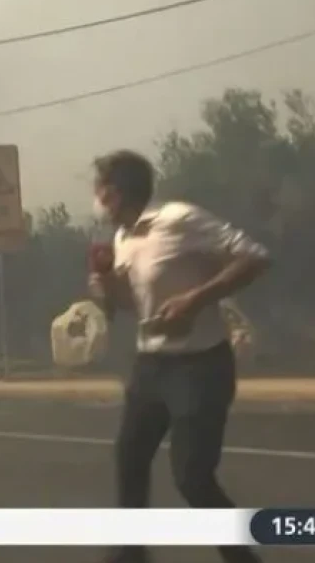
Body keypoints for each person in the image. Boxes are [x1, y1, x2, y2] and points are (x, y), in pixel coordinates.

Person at [88, 150, 272, 563]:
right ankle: (131, 554)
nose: (95, 198)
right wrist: (104, 285)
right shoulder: (121, 238)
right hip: (151, 365)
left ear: (115, 193)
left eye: (99, 189)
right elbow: (133, 304)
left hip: (200, 365)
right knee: (130, 457)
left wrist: (195, 299)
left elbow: (255, 256)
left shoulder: (179, 219)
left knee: (192, 477)